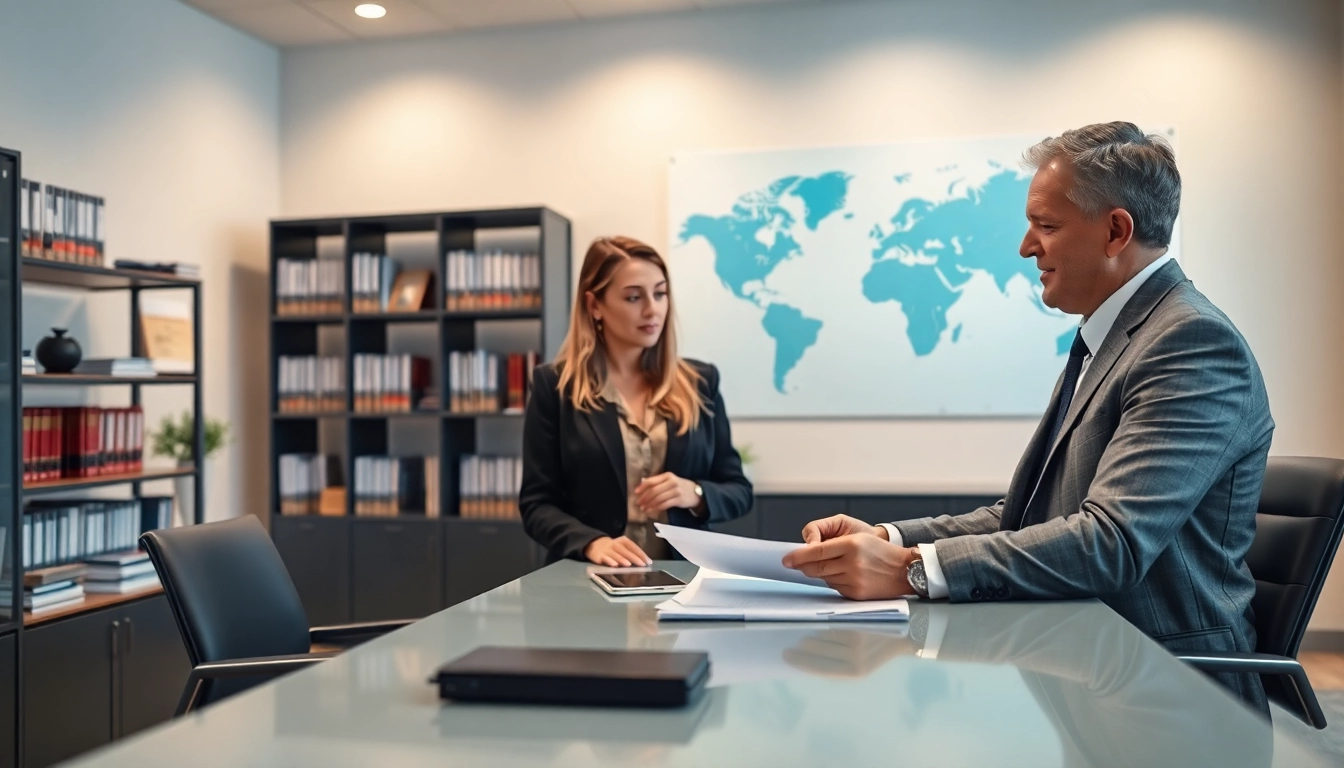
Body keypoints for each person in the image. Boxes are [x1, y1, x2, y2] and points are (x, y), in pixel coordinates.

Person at [783, 121, 1273, 713]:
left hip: (1169, 695)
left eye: (1047, 226)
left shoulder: (1190, 343)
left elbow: (1111, 542)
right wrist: (889, 539)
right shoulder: (1114, 337)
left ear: (1116, 231)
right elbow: (1027, 516)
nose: (1025, 247)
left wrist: (909, 570)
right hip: (1090, 670)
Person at [520, 236, 753, 566]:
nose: (652, 309)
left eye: (660, 294)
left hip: (685, 577)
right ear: (594, 305)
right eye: (633, 297)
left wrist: (696, 493)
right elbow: (536, 504)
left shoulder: (701, 382)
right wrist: (592, 543)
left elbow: (739, 491)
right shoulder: (555, 387)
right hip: (588, 577)